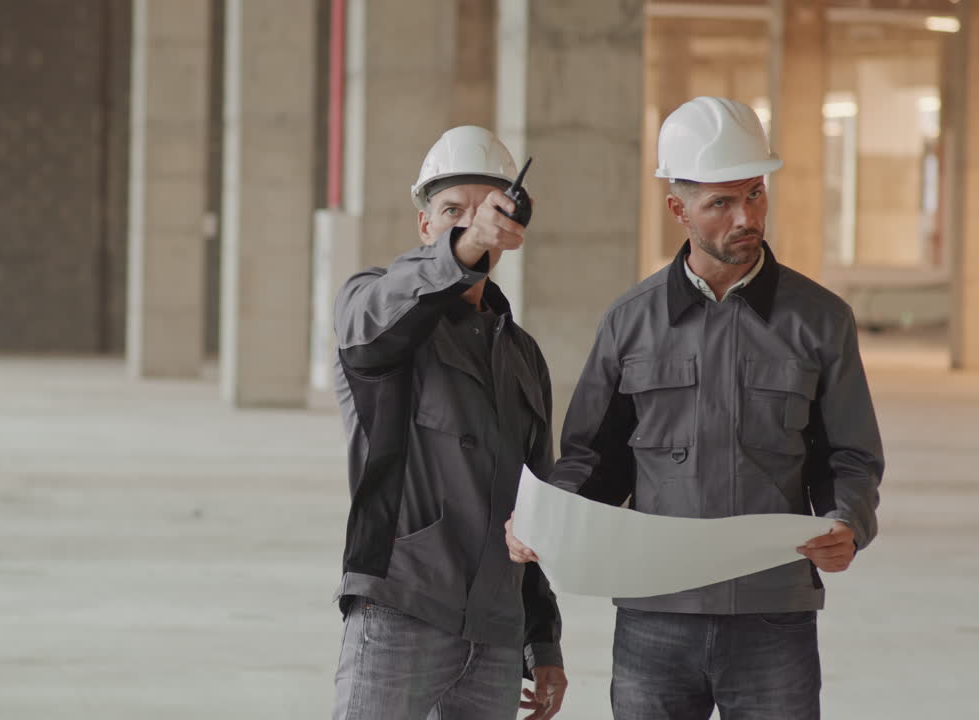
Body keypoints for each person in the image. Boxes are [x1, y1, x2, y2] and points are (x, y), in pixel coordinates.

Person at [506, 96, 885, 720]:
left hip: (772, 615)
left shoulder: (820, 321)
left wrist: (849, 520)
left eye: (755, 194)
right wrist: (543, 520)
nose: (746, 216)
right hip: (655, 613)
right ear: (678, 209)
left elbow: (851, 454)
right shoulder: (630, 324)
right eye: (721, 203)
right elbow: (591, 460)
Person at [330, 125, 567, 720]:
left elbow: (532, 508)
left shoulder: (523, 356)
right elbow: (368, 327)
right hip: (398, 610)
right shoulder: (375, 309)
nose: (468, 223)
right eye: (450, 211)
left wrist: (543, 639)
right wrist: (460, 251)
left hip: (495, 635)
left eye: (484, 210)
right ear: (425, 225)